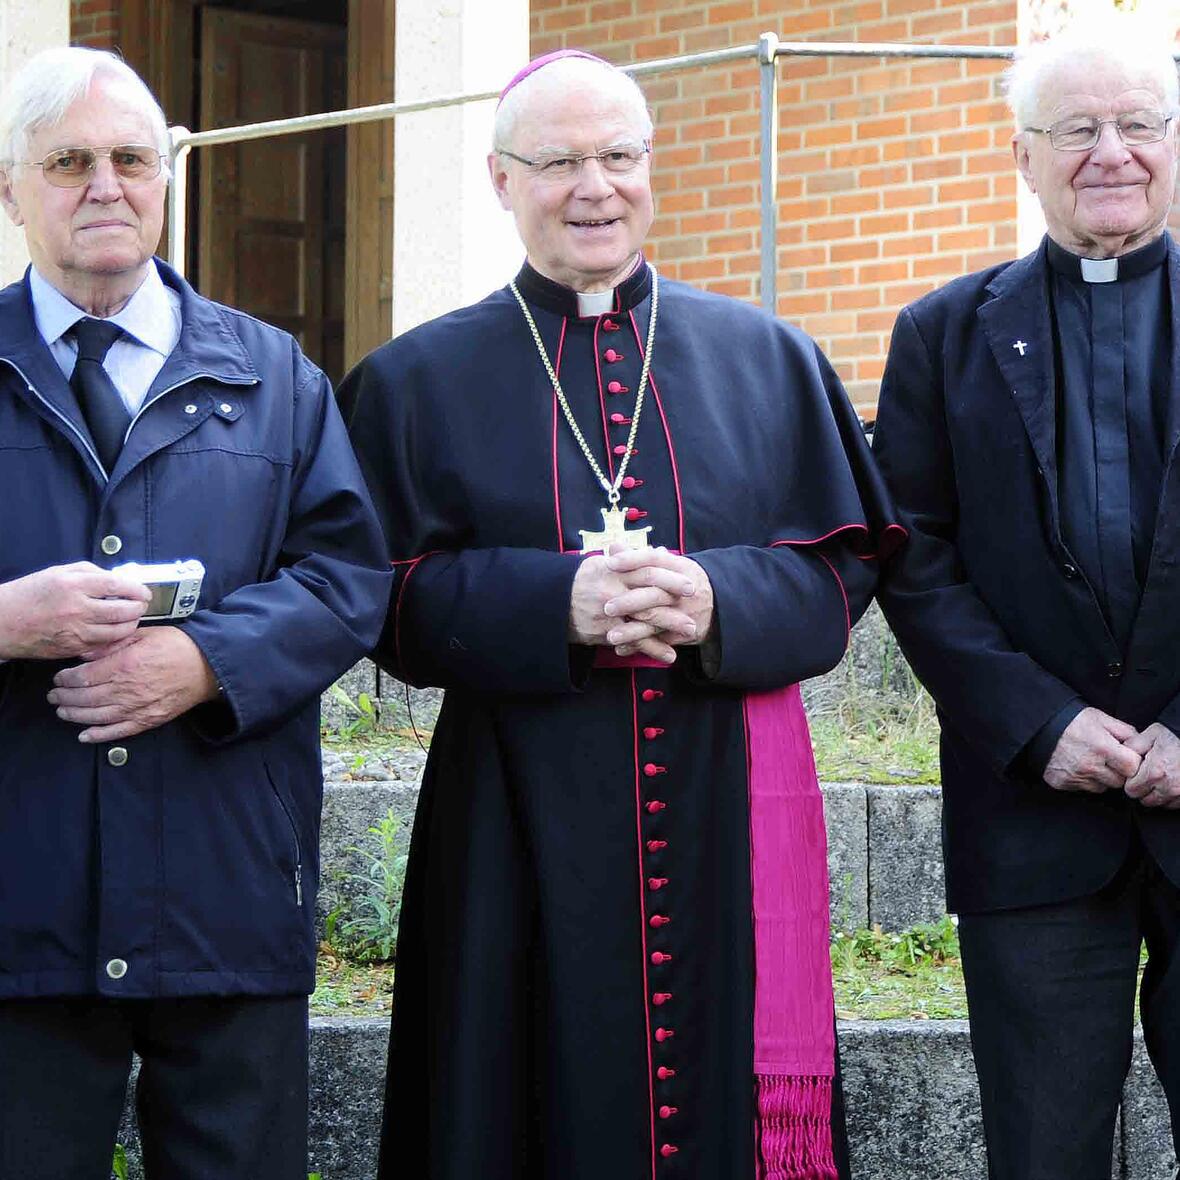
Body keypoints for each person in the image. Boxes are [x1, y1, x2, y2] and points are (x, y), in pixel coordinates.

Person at [341, 50, 901, 1180]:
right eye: (557, 162)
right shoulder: (412, 380)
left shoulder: (768, 358)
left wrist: (715, 595)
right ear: (502, 181)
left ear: (651, 169)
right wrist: (555, 601)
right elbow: (369, 595)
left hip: (721, 805)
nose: (594, 186)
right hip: (511, 808)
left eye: (618, 157)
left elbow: (843, 571)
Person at [0, 46, 391, 1179]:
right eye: (68, 161)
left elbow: (347, 579)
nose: (104, 185)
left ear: (166, 176)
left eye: (131, 157)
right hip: (17, 905)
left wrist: (205, 664)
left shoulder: (276, 376)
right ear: (13, 188)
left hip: (223, 891)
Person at [872, 19, 1180, 1179]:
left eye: (1136, 125)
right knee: (1041, 1153)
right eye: (1075, 130)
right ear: (1023, 157)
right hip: (1032, 812)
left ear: (1173, 140)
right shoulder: (941, 334)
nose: (1109, 152)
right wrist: (1040, 725)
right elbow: (916, 553)